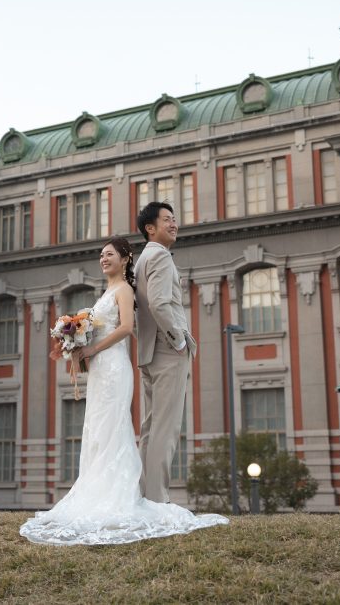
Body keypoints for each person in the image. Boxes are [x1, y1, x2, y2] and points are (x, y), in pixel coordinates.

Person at [19, 237, 227, 545]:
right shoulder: (106, 291)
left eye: (109, 254)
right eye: (101, 255)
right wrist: (75, 342)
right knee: (96, 430)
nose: (103, 259)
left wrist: (90, 348)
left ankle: (120, 494)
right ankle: (96, 490)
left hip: (115, 368)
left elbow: (127, 328)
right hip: (101, 370)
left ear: (126, 258)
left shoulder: (125, 290)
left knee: (113, 428)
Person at [134, 202, 197, 503]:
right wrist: (180, 341)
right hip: (167, 349)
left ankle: (145, 496)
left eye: (175, 219)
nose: (174, 224)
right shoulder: (159, 256)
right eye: (167, 219)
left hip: (149, 351)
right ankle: (158, 501)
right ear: (151, 228)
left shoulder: (143, 258)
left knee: (150, 428)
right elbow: (159, 304)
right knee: (166, 429)